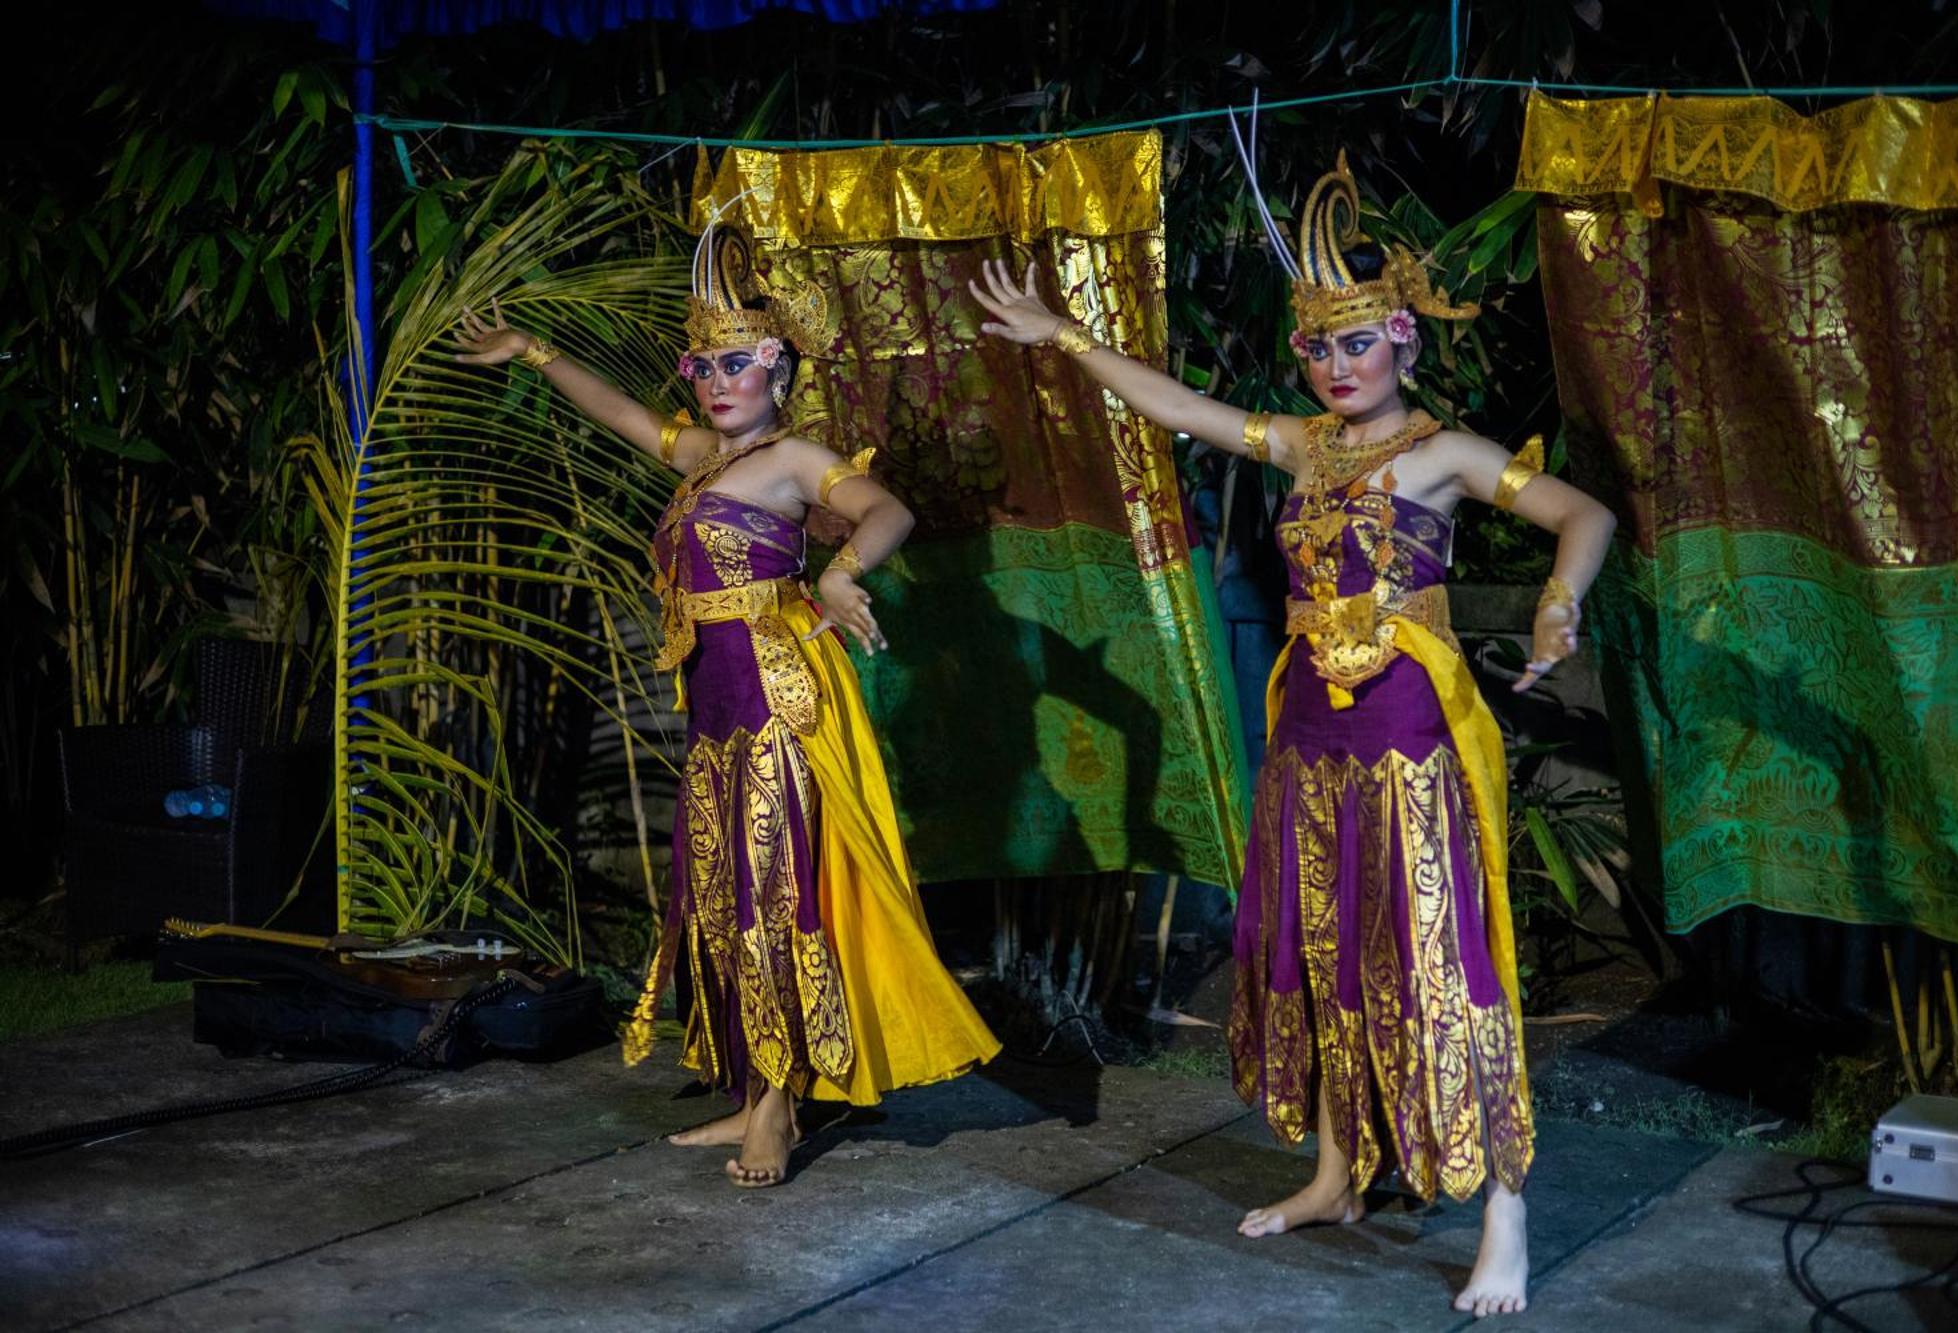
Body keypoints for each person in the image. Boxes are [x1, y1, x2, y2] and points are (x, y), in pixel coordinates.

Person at [970, 150, 1615, 1317]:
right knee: (1319, 949)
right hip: (1309, 736)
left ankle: (1503, 1213)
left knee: (1439, 960)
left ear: (1405, 341)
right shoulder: (1303, 448)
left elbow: (1583, 510)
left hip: (1412, 738)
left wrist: (1557, 597)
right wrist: (1062, 333)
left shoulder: (1444, 456)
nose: (1330, 364)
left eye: (1354, 341)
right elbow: (1173, 406)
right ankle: (1334, 1170)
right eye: (1314, 346)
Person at [454, 221, 999, 1189]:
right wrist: (534, 353)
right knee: (722, 900)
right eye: (699, 363)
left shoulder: (795, 460)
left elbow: (888, 512)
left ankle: (781, 1107)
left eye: (735, 363)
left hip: (779, 706)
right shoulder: (702, 456)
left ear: (777, 369)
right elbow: (619, 414)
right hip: (715, 718)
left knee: (775, 898)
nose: (713, 380)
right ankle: (750, 1094)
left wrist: (838, 574)